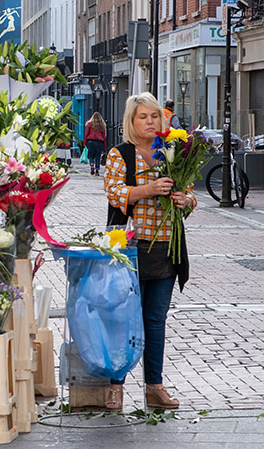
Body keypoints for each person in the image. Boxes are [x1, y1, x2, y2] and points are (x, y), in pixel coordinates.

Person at [102, 92, 196, 412]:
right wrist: (149, 190)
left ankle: (154, 386)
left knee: (155, 319)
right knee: (125, 321)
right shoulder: (120, 155)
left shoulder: (172, 152)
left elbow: (190, 196)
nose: (150, 122)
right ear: (131, 121)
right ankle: (115, 387)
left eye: (154, 116)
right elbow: (115, 194)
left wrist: (186, 202)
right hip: (130, 249)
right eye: (143, 117)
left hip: (167, 249)